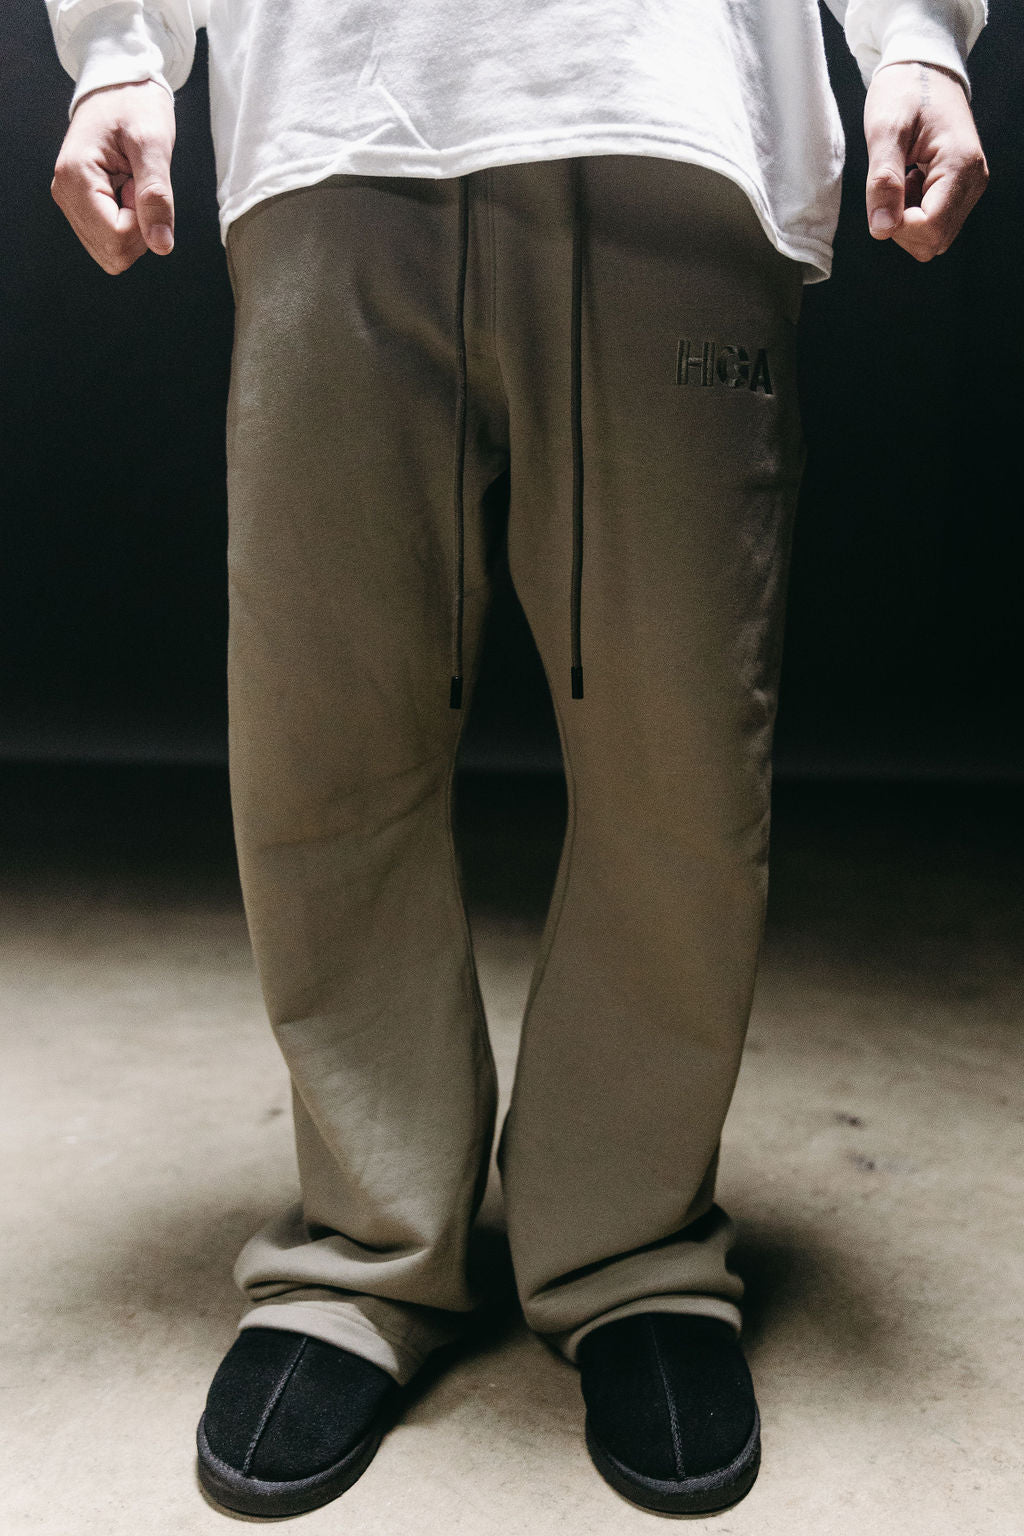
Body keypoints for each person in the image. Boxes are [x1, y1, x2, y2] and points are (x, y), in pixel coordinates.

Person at [44, 0, 989, 1520]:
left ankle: (634, 1250)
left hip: (674, 111)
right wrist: (120, 51)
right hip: (333, 114)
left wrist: (920, 37)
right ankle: (365, 1249)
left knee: (682, 757)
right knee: (321, 740)